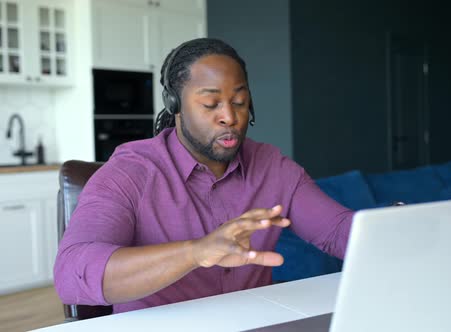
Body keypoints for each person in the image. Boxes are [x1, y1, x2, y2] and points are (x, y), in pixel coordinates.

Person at [54, 38, 353, 313]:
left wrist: (391, 228)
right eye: (210, 104)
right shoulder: (130, 172)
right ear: (175, 105)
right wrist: (196, 252)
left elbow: (337, 232)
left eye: (239, 101)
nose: (230, 116)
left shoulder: (272, 165)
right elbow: (71, 275)